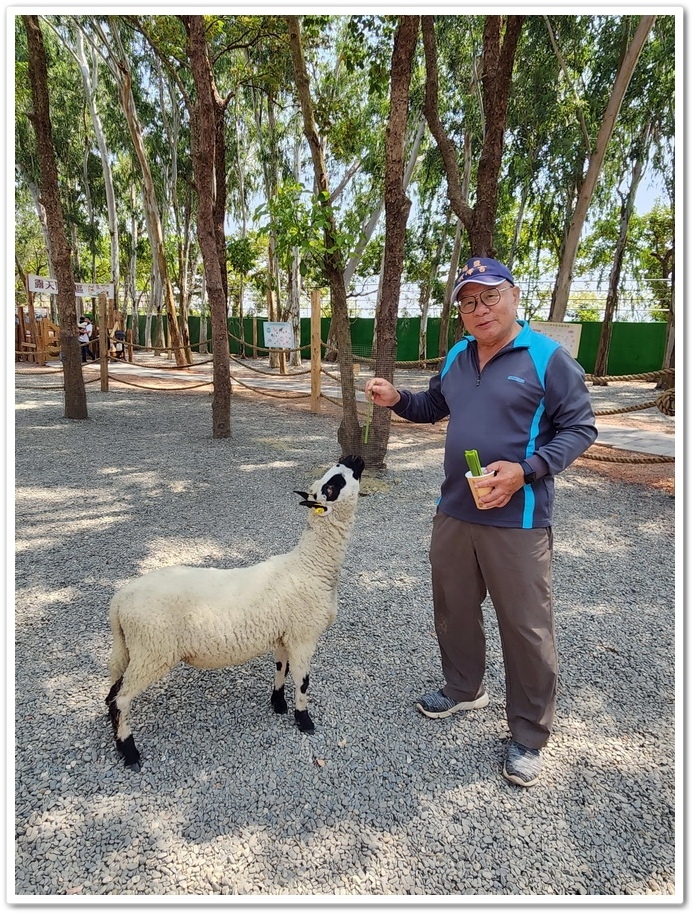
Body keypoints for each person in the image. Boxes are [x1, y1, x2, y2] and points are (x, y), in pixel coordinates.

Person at [365, 256, 597, 787]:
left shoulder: (547, 358)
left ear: (513, 296)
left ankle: (530, 733)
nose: (478, 308)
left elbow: (580, 429)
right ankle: (465, 688)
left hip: (519, 518)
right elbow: (433, 406)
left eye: (488, 296)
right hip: (455, 510)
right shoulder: (458, 355)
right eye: (468, 301)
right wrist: (398, 398)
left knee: (526, 626)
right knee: (453, 607)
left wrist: (525, 471)